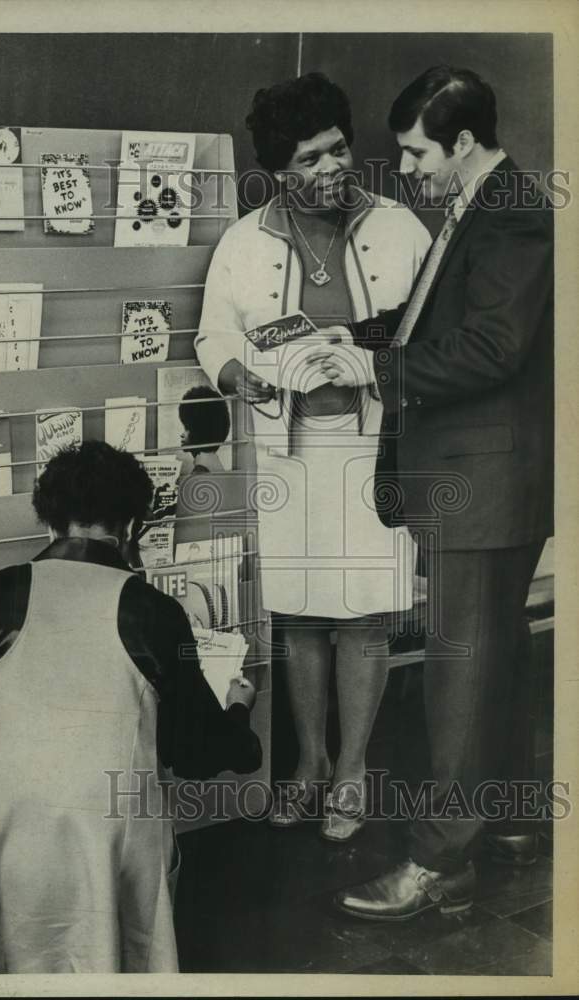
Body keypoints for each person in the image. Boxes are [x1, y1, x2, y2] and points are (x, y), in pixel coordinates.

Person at [312, 67, 553, 919]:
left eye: (415, 151)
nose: (404, 168)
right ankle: (513, 822)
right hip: (483, 481)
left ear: (461, 142)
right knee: (496, 657)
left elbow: (492, 349)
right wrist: (361, 334)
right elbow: (434, 322)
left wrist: (373, 368)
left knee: (458, 672)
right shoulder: (478, 206)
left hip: (481, 485)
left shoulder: (515, 212)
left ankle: (439, 864)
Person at [195, 73, 431, 840]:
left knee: (363, 619)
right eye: (309, 159)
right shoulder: (244, 241)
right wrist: (243, 377)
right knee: (299, 617)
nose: (331, 169)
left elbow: (433, 339)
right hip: (289, 453)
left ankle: (354, 768)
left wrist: (365, 360)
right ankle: (308, 765)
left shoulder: (401, 228)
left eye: (338, 150)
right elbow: (215, 338)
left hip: (373, 448)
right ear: (277, 169)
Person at [0, 441, 262, 972]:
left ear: (49, 523)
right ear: (133, 526)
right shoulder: (154, 611)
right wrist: (237, 711)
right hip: (108, 847)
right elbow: (194, 755)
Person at [178, 384, 232, 476]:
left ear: (199, 432)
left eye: (187, 428)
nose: (182, 434)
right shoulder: (216, 466)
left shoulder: (199, 474)